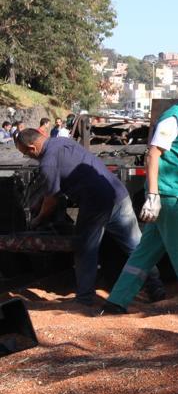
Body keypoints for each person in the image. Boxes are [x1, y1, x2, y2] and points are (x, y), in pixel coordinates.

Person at [105, 74, 178, 314]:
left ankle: (116, 301)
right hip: (170, 196)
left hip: (175, 193)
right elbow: (152, 155)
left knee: (144, 254)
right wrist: (153, 195)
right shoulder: (173, 119)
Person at [14, 129, 165, 308]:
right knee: (135, 247)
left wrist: (37, 219)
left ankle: (84, 298)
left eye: (26, 153)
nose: (30, 157)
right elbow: (54, 186)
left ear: (32, 147)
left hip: (96, 204)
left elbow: (53, 199)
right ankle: (156, 289)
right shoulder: (63, 142)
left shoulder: (47, 162)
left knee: (86, 249)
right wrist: (39, 201)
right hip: (118, 194)